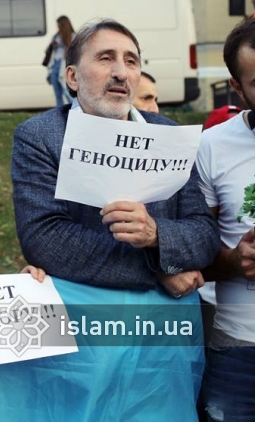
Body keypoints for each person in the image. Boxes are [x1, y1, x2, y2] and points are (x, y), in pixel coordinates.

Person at [12, 19, 219, 293]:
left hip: (167, 323)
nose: (121, 72)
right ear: (72, 77)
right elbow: (45, 240)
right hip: (89, 318)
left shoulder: (169, 135)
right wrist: (157, 270)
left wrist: (155, 234)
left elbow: (204, 236)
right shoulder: (41, 136)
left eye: (131, 61)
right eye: (106, 58)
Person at [196, 18, 255, 422]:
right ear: (238, 88)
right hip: (239, 352)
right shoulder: (212, 146)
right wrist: (236, 259)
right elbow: (192, 255)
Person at [46, 15, 75, 107]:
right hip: (55, 64)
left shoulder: (72, 36)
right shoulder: (56, 36)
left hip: (65, 65)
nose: (57, 27)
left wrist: (66, 47)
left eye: (59, 25)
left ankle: (75, 109)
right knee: (57, 92)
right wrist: (52, 44)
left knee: (66, 91)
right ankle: (59, 112)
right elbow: (48, 50)